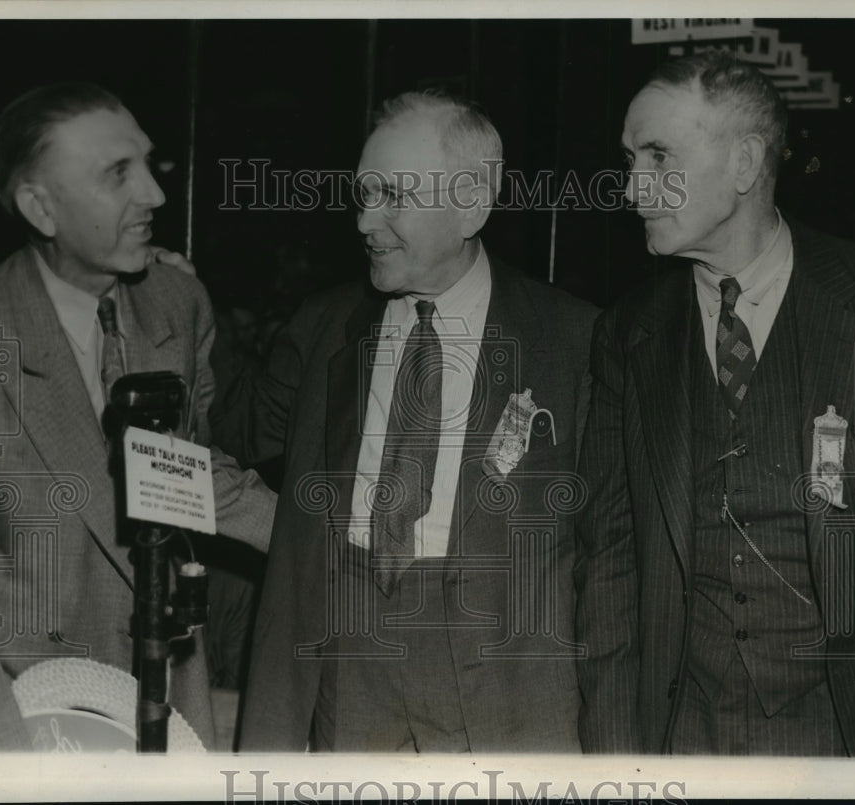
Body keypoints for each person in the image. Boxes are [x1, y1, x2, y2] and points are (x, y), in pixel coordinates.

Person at [214, 90, 599, 752]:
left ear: (473, 203)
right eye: (364, 194)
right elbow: (223, 430)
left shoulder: (574, 340)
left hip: (504, 685)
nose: (366, 220)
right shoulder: (323, 326)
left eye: (394, 195)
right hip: (348, 665)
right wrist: (165, 302)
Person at [575, 50, 855, 756]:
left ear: (744, 163)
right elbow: (608, 566)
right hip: (683, 729)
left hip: (853, 732)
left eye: (659, 158)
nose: (633, 188)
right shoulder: (627, 334)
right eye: (630, 159)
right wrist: (615, 756)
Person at [0, 82, 276, 750]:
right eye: (117, 174)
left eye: (148, 163)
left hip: (163, 692)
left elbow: (184, 472)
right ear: (40, 208)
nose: (156, 195)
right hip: (25, 706)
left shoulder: (176, 301)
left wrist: (316, 537)